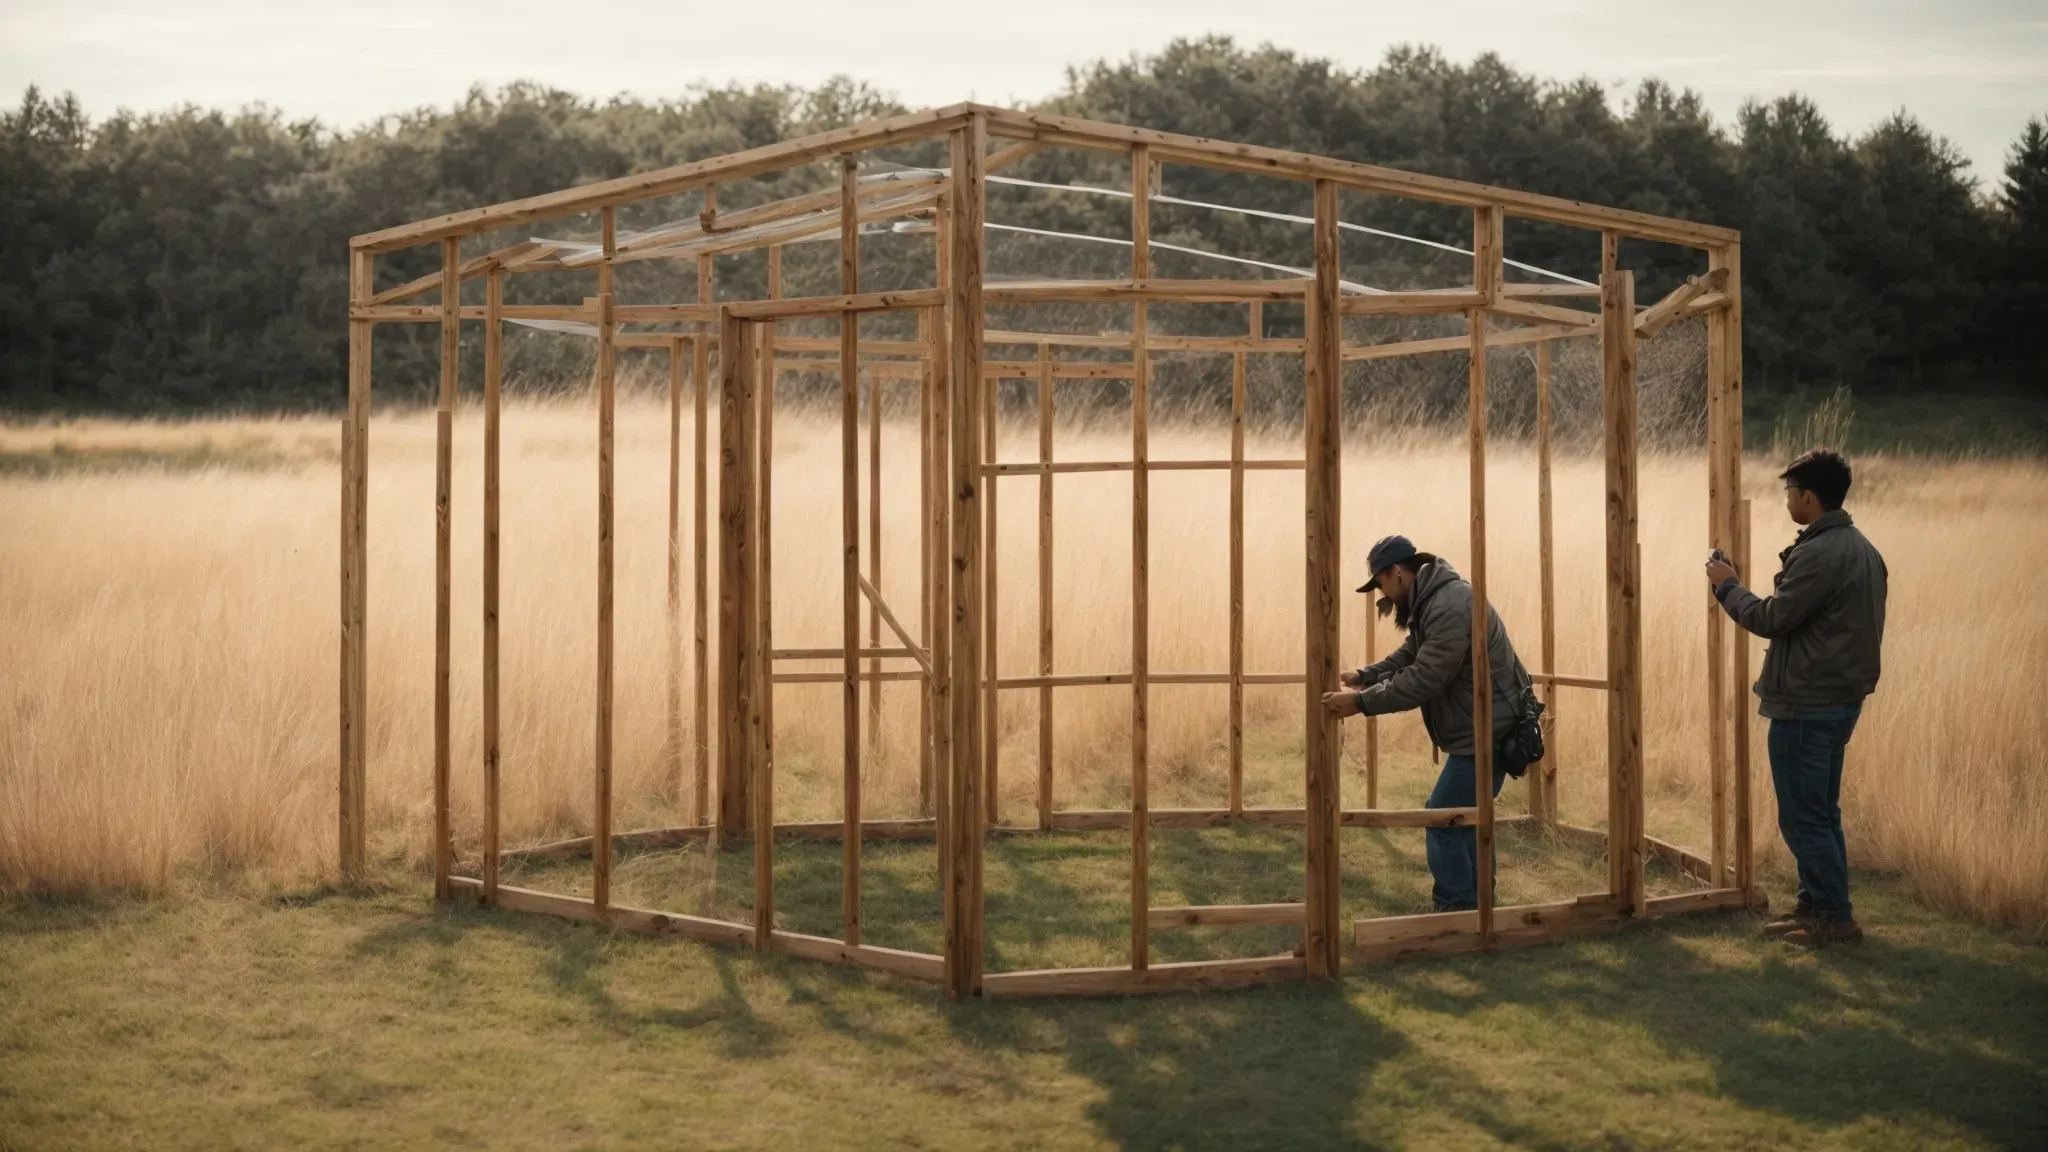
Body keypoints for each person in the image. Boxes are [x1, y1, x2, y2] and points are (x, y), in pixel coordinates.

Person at [1707, 449, 1886, 948]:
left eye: (1789, 491)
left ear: (1808, 497)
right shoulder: (1860, 547)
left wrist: (1727, 588)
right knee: (1821, 812)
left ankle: (1833, 917)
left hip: (1808, 704)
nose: (1787, 499)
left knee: (1803, 815)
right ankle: (1815, 906)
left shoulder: (1821, 552)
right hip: (1837, 701)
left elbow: (1772, 619)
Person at [1323, 535, 1537, 912]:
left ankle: (1456, 908)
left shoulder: (1448, 606)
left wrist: (1359, 703)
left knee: (1442, 817)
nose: (1383, 596)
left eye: (1381, 584)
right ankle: (1476, 905)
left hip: (1490, 732)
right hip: (1486, 728)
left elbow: (1424, 678)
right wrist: (1366, 675)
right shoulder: (1435, 599)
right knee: (1465, 818)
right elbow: (1414, 652)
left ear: (1397, 572)